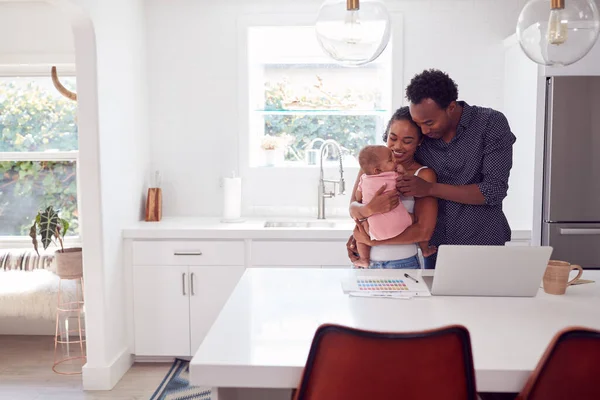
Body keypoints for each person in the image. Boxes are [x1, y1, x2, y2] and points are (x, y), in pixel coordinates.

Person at [398, 69, 516, 269]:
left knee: (486, 301)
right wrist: (362, 236)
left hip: (483, 243)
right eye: (419, 124)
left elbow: (493, 191)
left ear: (451, 107)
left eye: (429, 123)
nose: (424, 131)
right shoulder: (418, 133)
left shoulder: (490, 123)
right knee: (436, 301)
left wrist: (429, 188)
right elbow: (383, 167)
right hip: (435, 248)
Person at [347, 107, 438, 269]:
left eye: (407, 141)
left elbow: (423, 232)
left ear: (419, 142)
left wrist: (372, 239)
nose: (397, 146)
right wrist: (369, 209)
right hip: (367, 264)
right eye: (393, 138)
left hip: (404, 263)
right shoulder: (371, 170)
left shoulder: (423, 175)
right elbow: (353, 208)